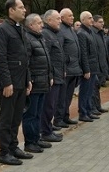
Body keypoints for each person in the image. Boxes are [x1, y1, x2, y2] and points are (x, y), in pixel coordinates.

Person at [0, 0, 33, 165]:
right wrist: (6, 82)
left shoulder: (20, 29)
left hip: (21, 82)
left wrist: (28, 79)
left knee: (16, 118)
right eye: (21, 7)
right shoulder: (2, 30)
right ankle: (4, 152)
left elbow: (24, 57)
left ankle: (14, 146)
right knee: (6, 118)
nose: (24, 10)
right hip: (9, 83)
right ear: (11, 10)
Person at [22, 14, 53, 153]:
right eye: (39, 23)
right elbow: (26, 63)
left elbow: (47, 60)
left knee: (38, 113)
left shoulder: (40, 38)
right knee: (30, 114)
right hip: (34, 83)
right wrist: (29, 80)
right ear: (31, 25)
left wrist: (50, 75)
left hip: (43, 82)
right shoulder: (28, 39)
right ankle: (30, 142)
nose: (42, 25)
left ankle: (37, 138)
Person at [53, 8, 82, 128]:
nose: (72, 17)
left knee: (69, 96)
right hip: (66, 70)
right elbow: (59, 50)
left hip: (74, 69)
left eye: (73, 15)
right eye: (70, 16)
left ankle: (65, 116)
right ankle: (58, 119)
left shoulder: (71, 30)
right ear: (62, 17)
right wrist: (65, 64)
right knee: (62, 97)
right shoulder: (60, 31)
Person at [40, 9, 65, 143]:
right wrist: (50, 75)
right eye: (57, 19)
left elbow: (59, 55)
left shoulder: (53, 34)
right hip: (52, 76)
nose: (60, 21)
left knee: (53, 104)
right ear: (49, 20)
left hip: (58, 74)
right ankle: (45, 131)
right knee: (48, 105)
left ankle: (48, 128)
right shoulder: (46, 34)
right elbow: (47, 57)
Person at [77, 11, 100, 122]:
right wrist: (86, 70)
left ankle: (89, 110)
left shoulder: (90, 32)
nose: (92, 20)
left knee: (90, 91)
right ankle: (83, 112)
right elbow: (84, 53)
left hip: (93, 66)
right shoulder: (81, 33)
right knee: (85, 91)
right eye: (89, 18)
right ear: (83, 20)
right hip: (88, 68)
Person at [91, 15, 109, 114]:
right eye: (100, 22)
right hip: (95, 66)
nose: (102, 24)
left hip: (102, 65)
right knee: (93, 88)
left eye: (103, 22)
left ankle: (98, 106)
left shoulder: (100, 33)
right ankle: (93, 107)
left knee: (97, 87)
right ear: (94, 22)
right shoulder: (92, 33)